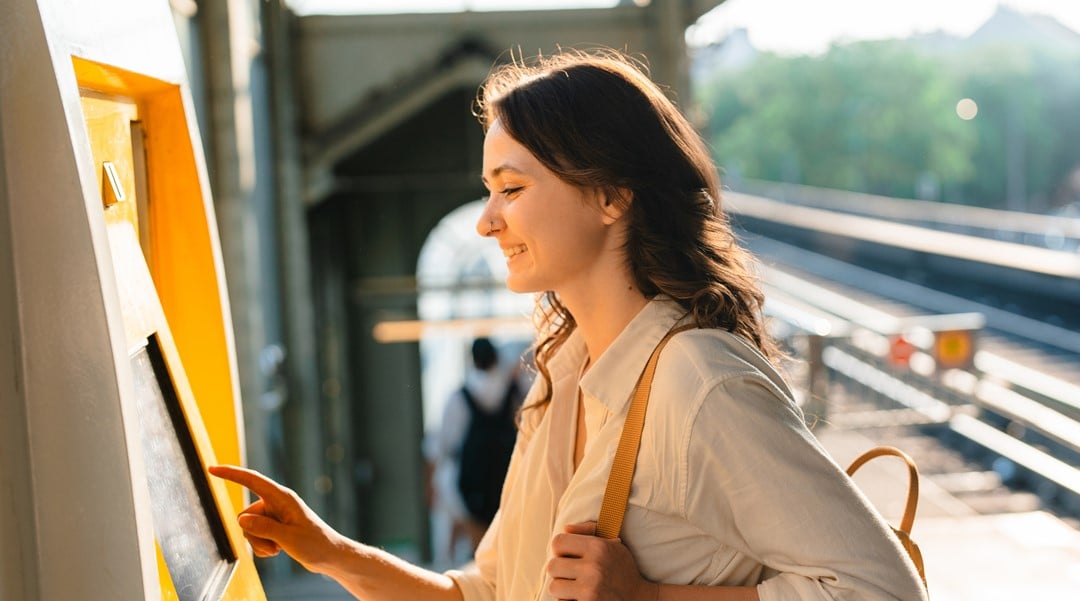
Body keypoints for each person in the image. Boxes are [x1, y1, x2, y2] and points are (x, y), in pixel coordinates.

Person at [210, 48, 928, 601]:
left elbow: (881, 587)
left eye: (512, 189)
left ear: (612, 194)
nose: (489, 221)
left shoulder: (699, 379)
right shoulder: (562, 371)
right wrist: (331, 550)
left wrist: (650, 596)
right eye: (489, 193)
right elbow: (486, 591)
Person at [426, 337, 522, 564]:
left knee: (480, 546)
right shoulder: (514, 389)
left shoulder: (460, 397)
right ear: (496, 358)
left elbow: (437, 447)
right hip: (508, 478)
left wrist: (429, 485)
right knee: (508, 543)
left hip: (471, 485)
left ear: (472, 361)